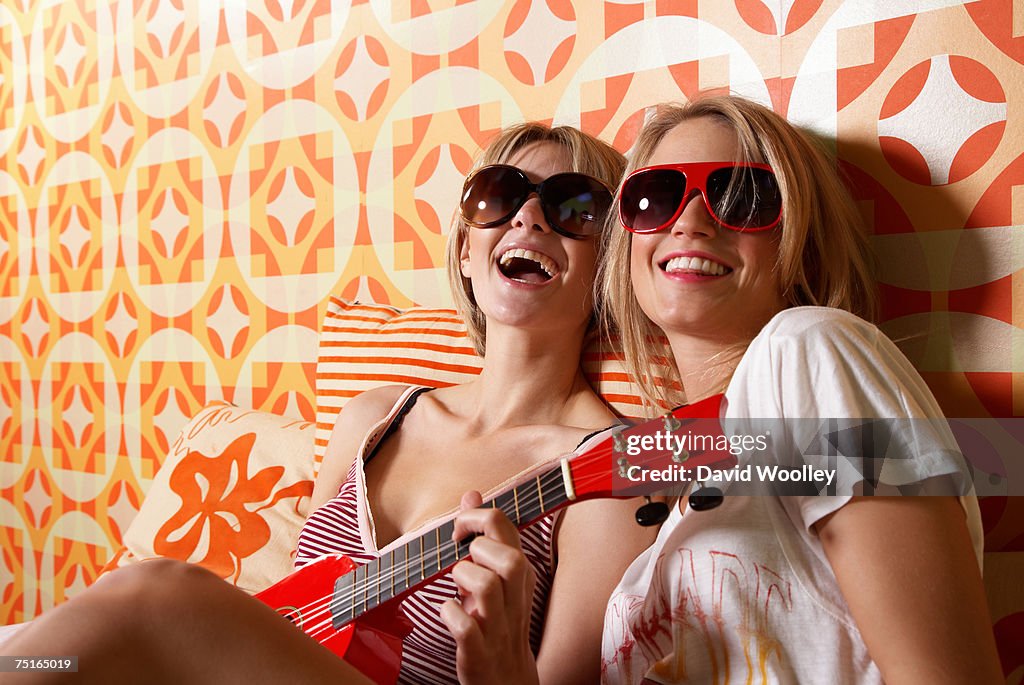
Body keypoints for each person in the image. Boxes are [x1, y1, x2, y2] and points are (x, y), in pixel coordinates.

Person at [0, 123, 656, 684]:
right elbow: (298, 613)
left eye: (573, 207)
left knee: (152, 593)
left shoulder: (608, 476)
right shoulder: (373, 416)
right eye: (500, 195)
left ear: (607, 264)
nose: (529, 217)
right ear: (464, 249)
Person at [445, 96, 1003, 685]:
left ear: (799, 243)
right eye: (654, 198)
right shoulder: (662, 499)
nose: (690, 221)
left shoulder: (810, 352)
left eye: (741, 198)